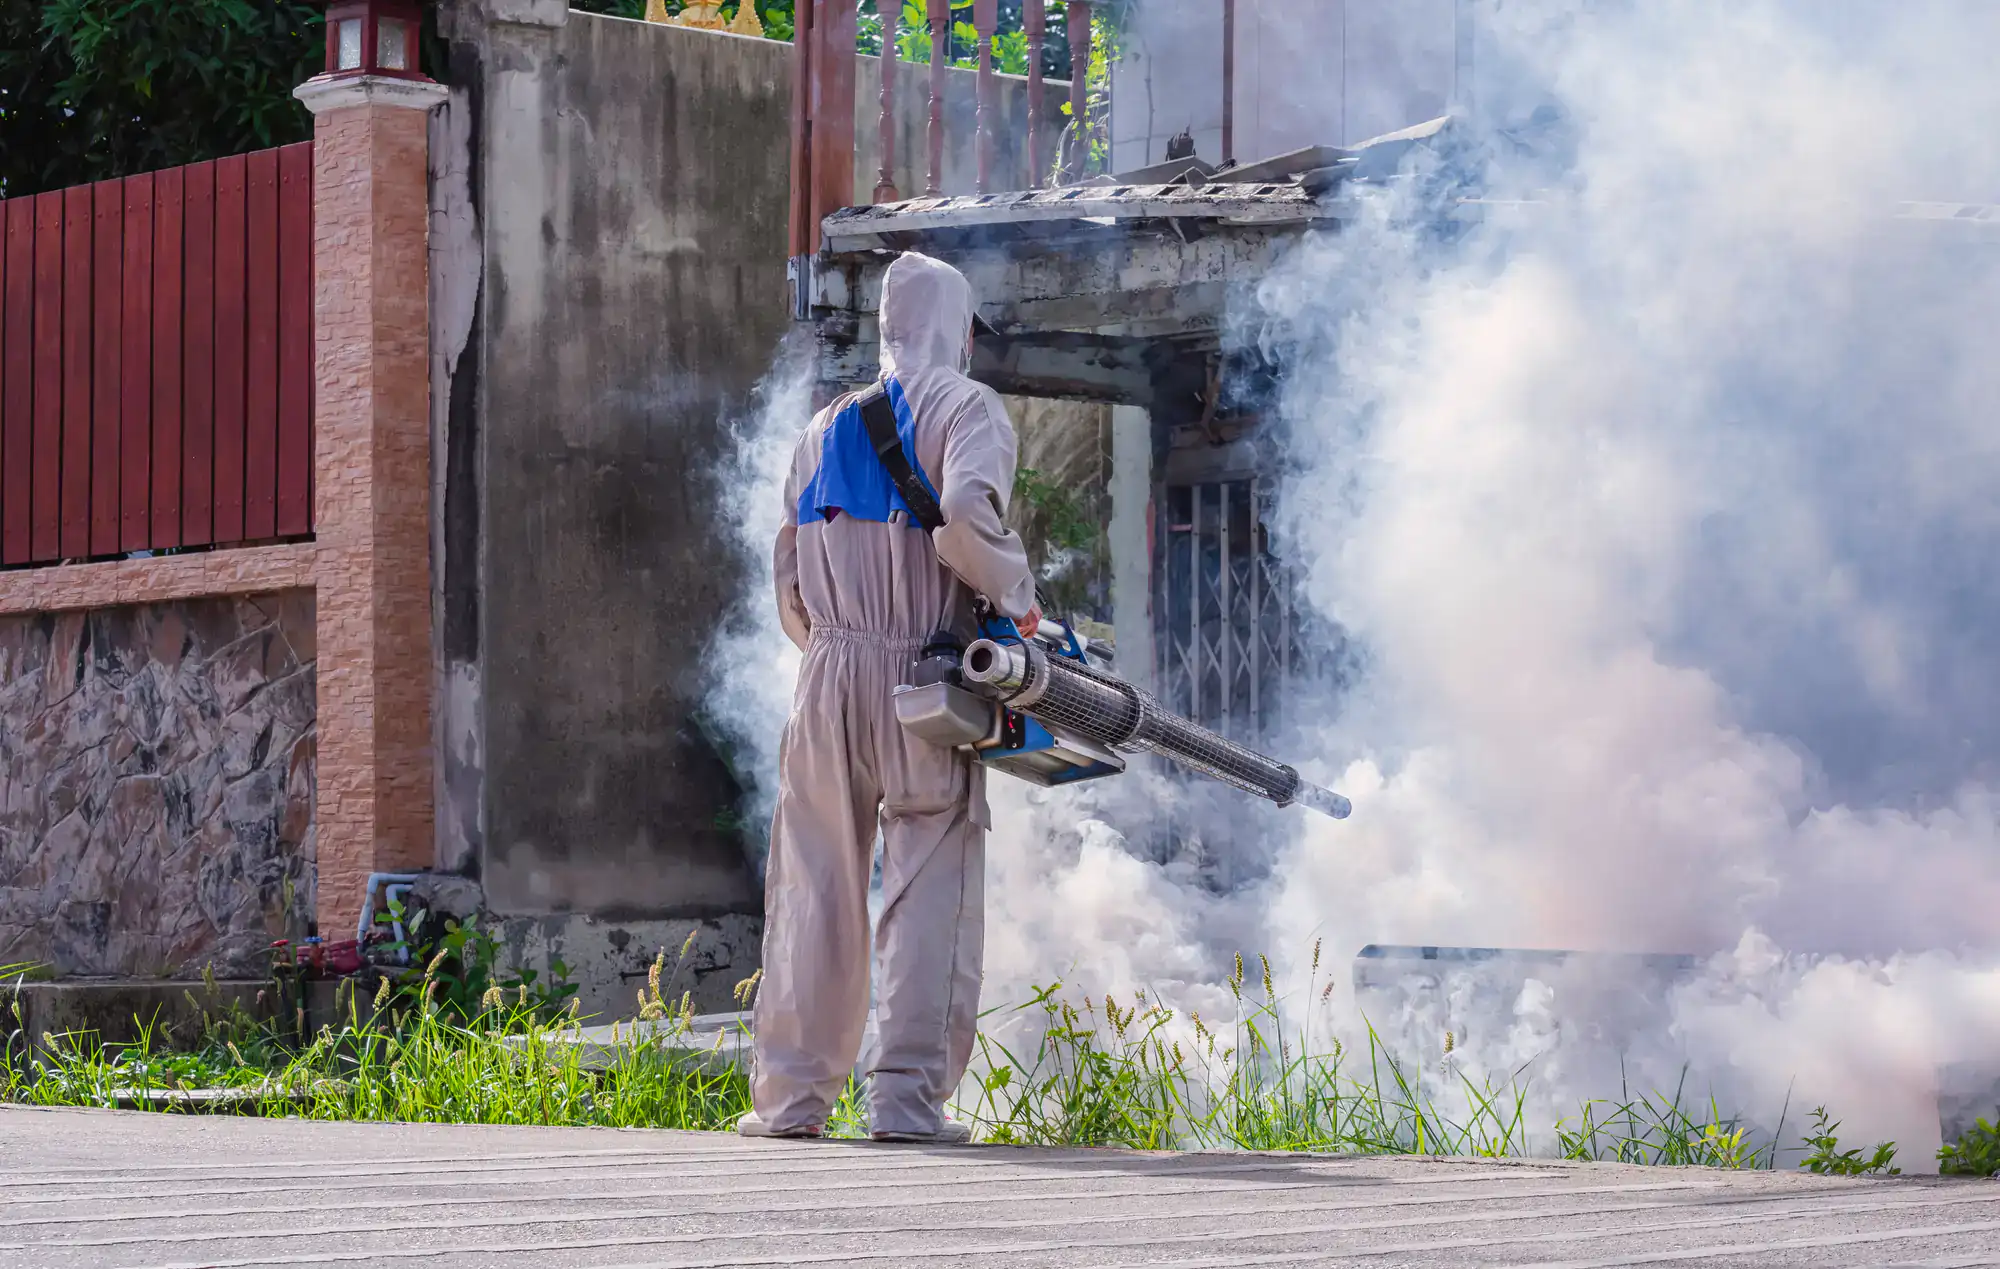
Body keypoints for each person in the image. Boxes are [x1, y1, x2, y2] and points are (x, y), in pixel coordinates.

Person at [739, 251, 1041, 1143]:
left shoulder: (819, 429)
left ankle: (792, 1102)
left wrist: (833, 653)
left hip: (825, 674)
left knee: (814, 886)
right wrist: (1018, 599)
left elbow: (788, 581)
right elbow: (967, 518)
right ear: (961, 330)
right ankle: (905, 1104)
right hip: (923, 675)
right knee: (926, 884)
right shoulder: (966, 406)